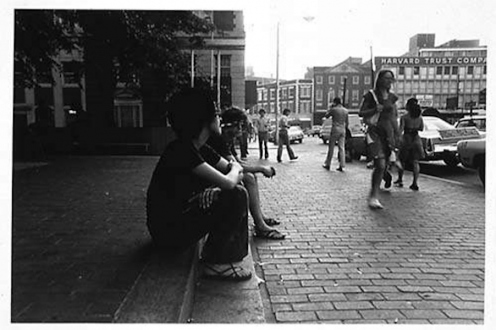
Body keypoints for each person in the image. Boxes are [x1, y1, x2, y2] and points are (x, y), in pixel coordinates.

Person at [146, 88, 251, 281]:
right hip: (167, 234)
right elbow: (230, 179)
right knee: (237, 194)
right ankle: (217, 263)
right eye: (216, 114)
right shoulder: (180, 150)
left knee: (235, 191)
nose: (220, 118)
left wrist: (217, 187)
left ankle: (223, 258)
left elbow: (232, 173)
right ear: (205, 120)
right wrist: (229, 176)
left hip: (181, 218)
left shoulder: (202, 149)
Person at [207, 107, 285, 240]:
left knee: (250, 176)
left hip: (216, 175)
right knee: (248, 178)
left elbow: (235, 163)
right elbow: (236, 166)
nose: (241, 130)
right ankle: (260, 225)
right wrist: (261, 168)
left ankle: (259, 216)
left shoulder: (226, 140)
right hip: (211, 179)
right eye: (239, 126)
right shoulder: (219, 140)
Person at [359, 69, 400, 209]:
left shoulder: (392, 97)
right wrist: (374, 109)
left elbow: (394, 117)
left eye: (391, 79)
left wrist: (397, 134)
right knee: (380, 164)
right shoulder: (371, 95)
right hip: (375, 132)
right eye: (386, 78)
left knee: (384, 165)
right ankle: (373, 195)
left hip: (387, 134)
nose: (389, 81)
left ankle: (374, 193)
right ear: (380, 79)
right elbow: (361, 112)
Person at [395, 97, 425, 191]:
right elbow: (421, 128)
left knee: (401, 160)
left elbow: (401, 130)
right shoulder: (420, 118)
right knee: (415, 162)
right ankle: (415, 183)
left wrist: (397, 139)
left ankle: (400, 180)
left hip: (406, 139)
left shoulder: (404, 117)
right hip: (416, 139)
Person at [322, 97, 349, 171]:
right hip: (343, 129)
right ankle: (342, 165)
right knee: (341, 148)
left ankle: (328, 163)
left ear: (335, 102)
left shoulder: (334, 110)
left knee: (331, 147)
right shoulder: (346, 110)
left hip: (335, 129)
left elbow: (326, 115)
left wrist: (330, 107)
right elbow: (347, 122)